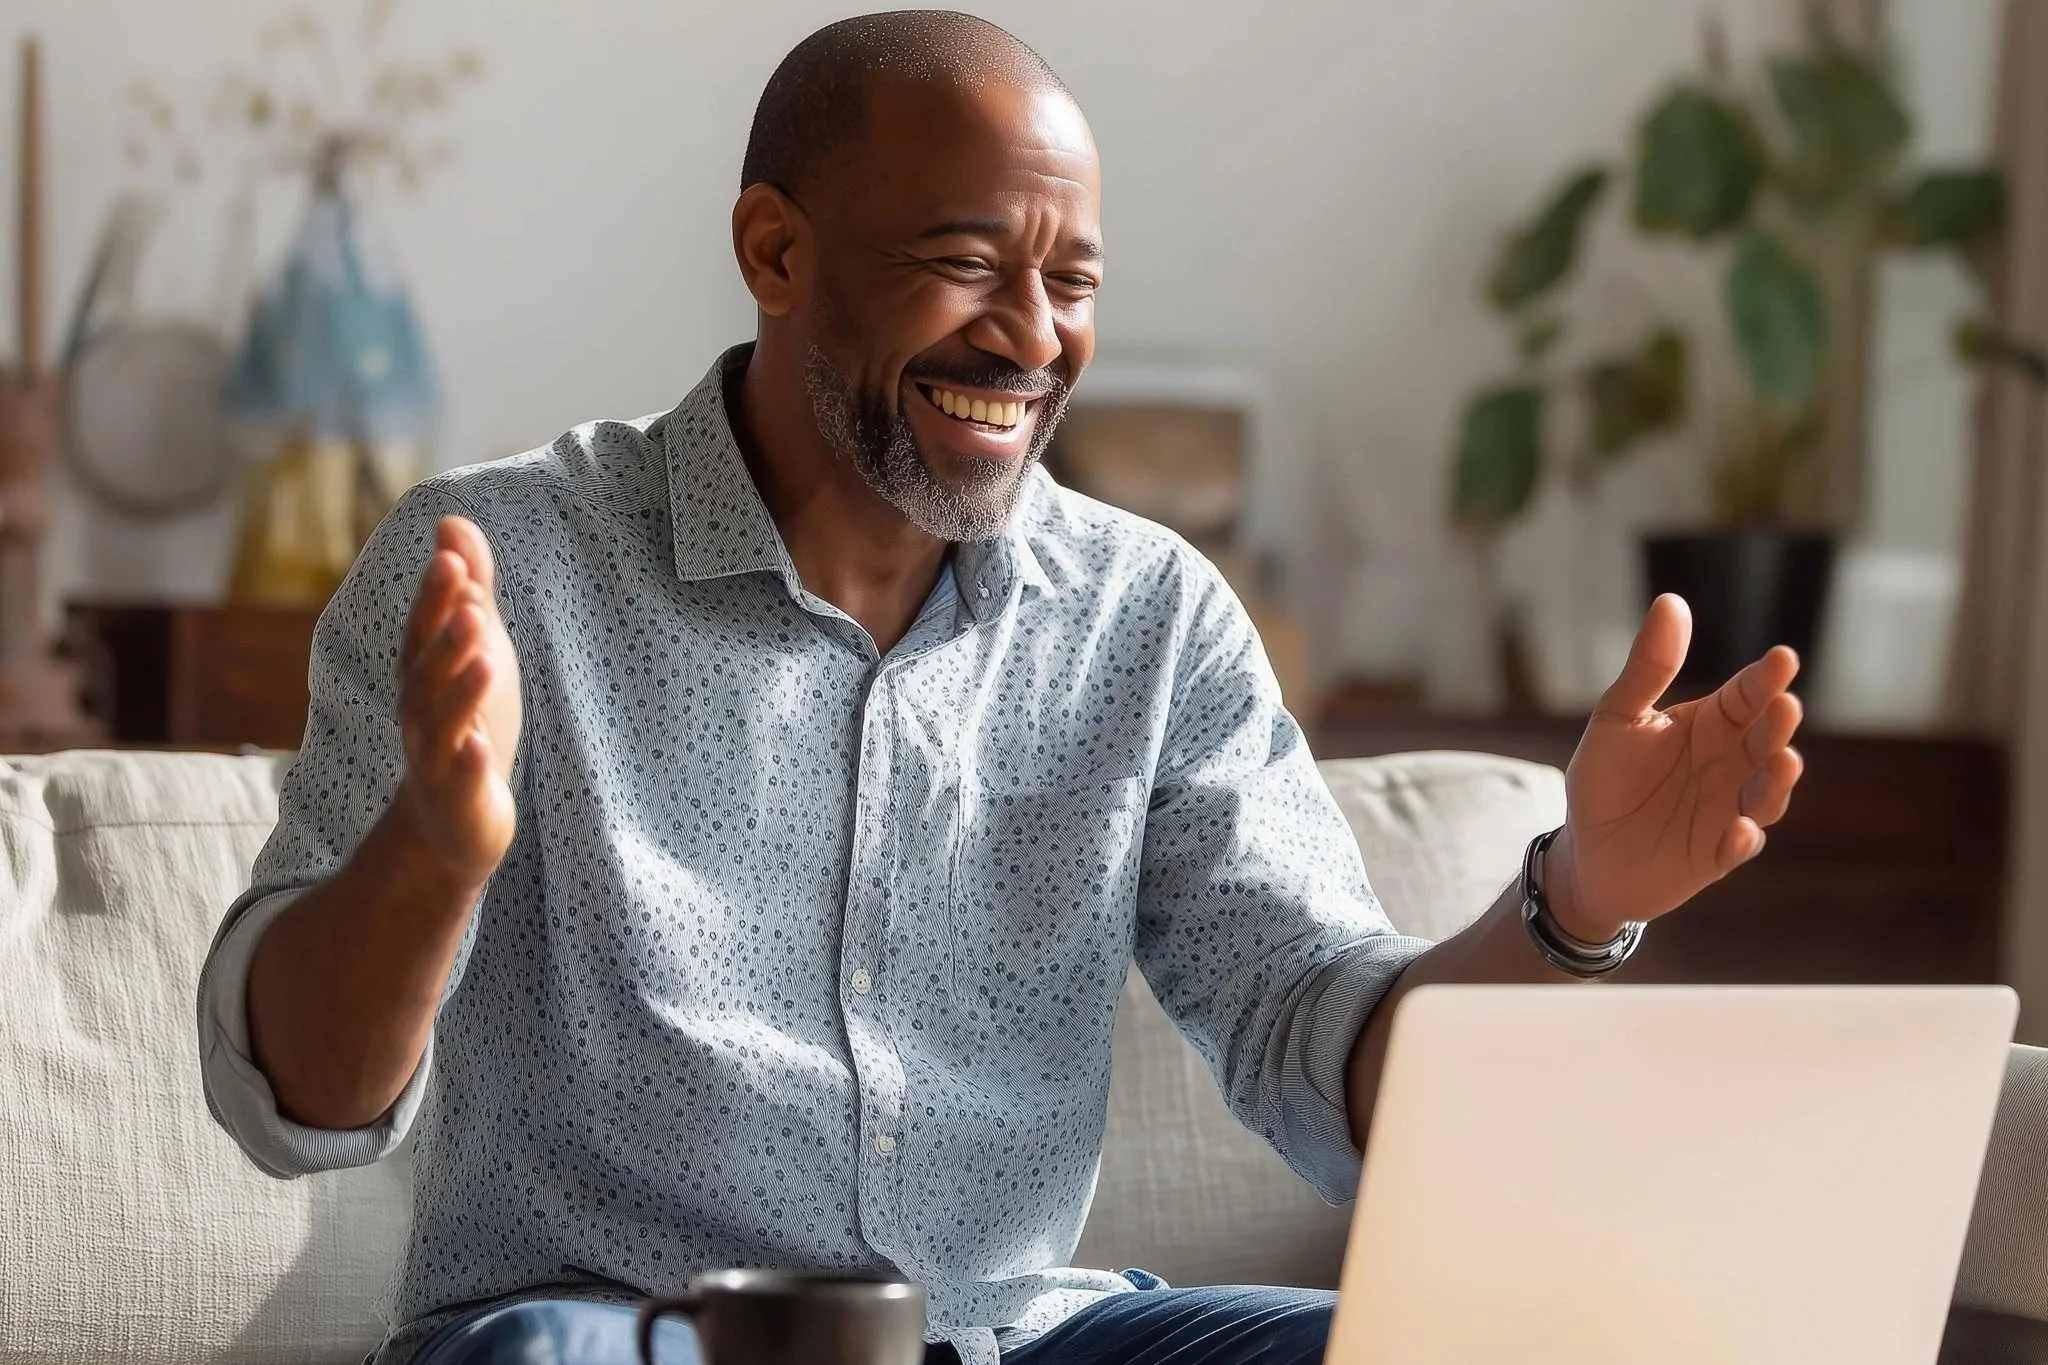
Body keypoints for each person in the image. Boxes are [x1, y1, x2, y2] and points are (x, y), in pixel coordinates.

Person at [196, 11, 1806, 1365]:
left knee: (1476, 1336)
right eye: (966, 264)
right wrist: (434, 856)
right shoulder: (508, 565)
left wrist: (1581, 901)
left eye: (1075, 283)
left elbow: (1327, 1045)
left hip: (1018, 1334)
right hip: (617, 1332)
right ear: (773, 248)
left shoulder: (1146, 618)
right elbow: (298, 1106)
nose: (1032, 338)